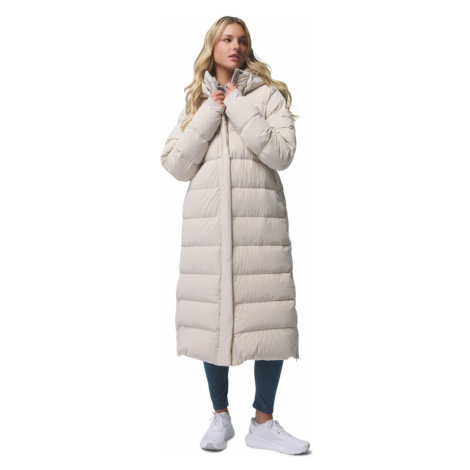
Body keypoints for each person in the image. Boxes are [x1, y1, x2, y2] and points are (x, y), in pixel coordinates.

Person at [160, 16, 309, 454]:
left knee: (270, 317)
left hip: (259, 225)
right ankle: (220, 416)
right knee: (212, 315)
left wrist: (239, 104)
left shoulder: (267, 96)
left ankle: (263, 421)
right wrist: (212, 109)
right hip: (208, 229)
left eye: (242, 40)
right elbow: (175, 164)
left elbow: (282, 154)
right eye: (227, 39)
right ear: (213, 45)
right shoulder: (196, 102)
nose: (235, 46)